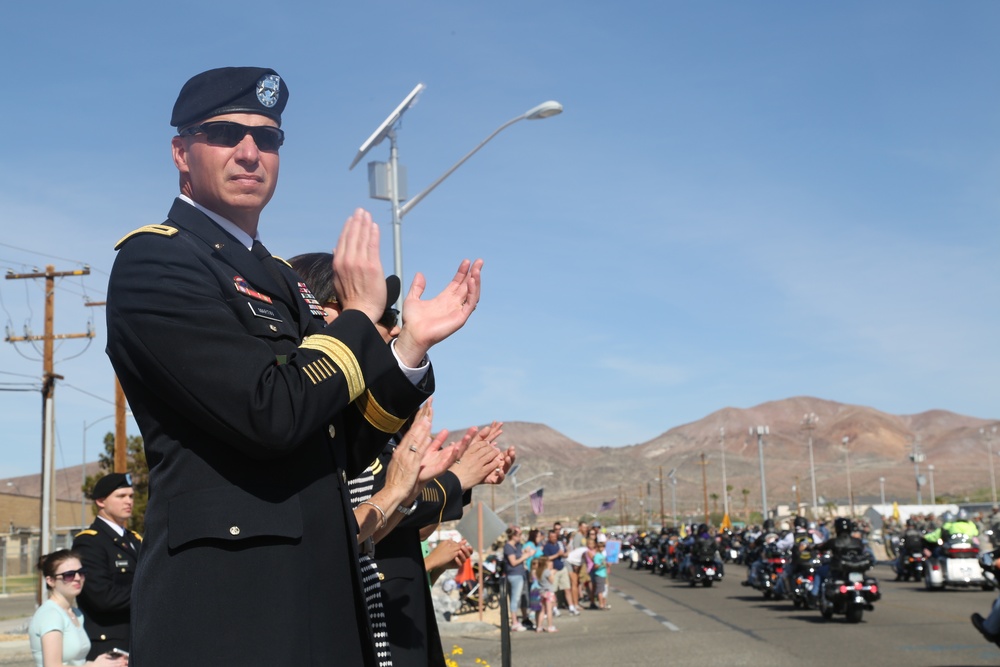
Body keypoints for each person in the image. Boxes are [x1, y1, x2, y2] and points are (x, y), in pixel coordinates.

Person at [105, 66, 482, 667]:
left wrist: (408, 347)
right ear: (182, 151)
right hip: (230, 607)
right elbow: (270, 412)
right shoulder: (157, 261)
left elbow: (341, 439)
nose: (250, 151)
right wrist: (359, 318)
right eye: (225, 133)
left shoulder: (281, 278)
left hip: (321, 588)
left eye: (268, 137)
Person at [71, 474, 140, 660]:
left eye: (131, 496)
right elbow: (103, 597)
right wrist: (149, 592)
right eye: (121, 496)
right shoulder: (89, 542)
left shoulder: (135, 540)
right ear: (101, 501)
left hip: (139, 639)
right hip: (111, 646)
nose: (129, 501)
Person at [29, 550, 126, 667]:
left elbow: (76, 662)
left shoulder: (76, 613)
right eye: (69, 575)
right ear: (51, 581)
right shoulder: (51, 615)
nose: (77, 578)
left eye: (81, 572)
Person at [503, 526, 535, 632]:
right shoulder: (508, 547)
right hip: (514, 575)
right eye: (519, 535)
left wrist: (524, 552)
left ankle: (524, 619)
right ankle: (515, 622)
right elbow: (513, 562)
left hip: (521, 574)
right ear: (513, 536)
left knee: (522, 597)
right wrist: (526, 556)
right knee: (515, 599)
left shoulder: (517, 546)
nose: (521, 537)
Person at [532, 556, 557, 633]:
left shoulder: (538, 571)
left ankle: (539, 627)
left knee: (542, 610)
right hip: (548, 591)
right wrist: (552, 573)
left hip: (541, 592)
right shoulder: (547, 571)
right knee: (549, 610)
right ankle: (550, 626)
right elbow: (552, 581)